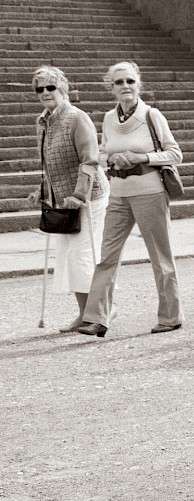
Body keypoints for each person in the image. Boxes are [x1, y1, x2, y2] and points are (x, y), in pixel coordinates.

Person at [77, 61, 184, 338]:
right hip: (119, 195)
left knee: (161, 258)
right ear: (111, 87)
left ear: (138, 84)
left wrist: (142, 157)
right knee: (107, 258)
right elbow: (100, 153)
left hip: (150, 192)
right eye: (119, 82)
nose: (125, 87)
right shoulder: (109, 119)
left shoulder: (152, 115)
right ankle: (96, 319)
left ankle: (171, 317)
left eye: (130, 81)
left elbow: (175, 153)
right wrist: (109, 158)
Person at [27, 66, 110, 332]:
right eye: (40, 89)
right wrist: (43, 190)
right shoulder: (43, 121)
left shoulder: (77, 117)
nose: (45, 93)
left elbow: (90, 160)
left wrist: (79, 194)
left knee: (81, 254)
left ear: (62, 88)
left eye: (50, 87)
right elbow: (49, 164)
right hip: (62, 200)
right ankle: (85, 313)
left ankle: (101, 312)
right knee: (69, 256)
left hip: (90, 196)